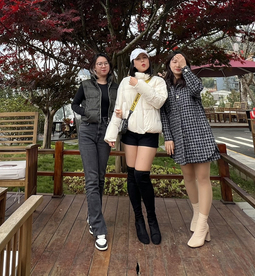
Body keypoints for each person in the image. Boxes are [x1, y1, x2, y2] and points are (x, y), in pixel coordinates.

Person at [104, 48, 168, 245]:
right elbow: (119, 109)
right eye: (138, 59)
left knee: (142, 175)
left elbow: (158, 102)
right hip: (130, 134)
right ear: (132, 62)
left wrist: (139, 84)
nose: (142, 61)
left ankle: (152, 219)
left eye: (145, 58)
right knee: (131, 175)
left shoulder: (158, 81)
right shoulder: (125, 82)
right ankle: (138, 219)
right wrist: (111, 133)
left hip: (149, 134)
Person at [160, 51, 220, 247]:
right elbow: (164, 114)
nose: (177, 64)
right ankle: (197, 215)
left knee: (203, 178)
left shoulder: (191, 81)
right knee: (188, 177)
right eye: (174, 61)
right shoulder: (165, 86)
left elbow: (198, 88)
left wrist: (186, 69)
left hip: (199, 135)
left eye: (181, 61)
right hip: (179, 139)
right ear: (168, 64)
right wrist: (168, 137)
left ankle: (202, 225)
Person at [71, 53, 118, 251]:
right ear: (93, 68)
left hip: (106, 132)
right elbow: (75, 105)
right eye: (99, 64)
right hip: (88, 131)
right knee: (91, 178)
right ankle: (99, 228)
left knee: (99, 178)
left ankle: (92, 216)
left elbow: (120, 107)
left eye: (105, 63)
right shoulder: (85, 85)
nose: (103, 66)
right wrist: (87, 113)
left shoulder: (116, 87)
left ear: (109, 66)